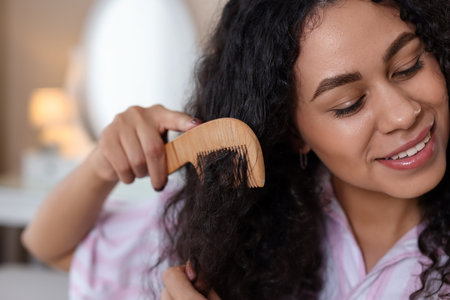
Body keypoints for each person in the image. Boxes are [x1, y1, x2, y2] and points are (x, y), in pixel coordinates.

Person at [22, 0, 450, 299]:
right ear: (292, 131)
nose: (403, 114)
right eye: (348, 104)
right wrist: (102, 164)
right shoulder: (252, 223)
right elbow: (52, 246)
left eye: (409, 65)